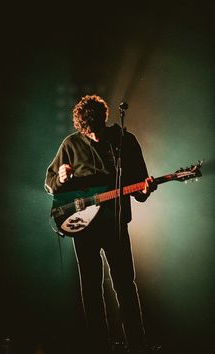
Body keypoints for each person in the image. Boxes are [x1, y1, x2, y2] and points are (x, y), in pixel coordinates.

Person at [44, 94, 158, 354]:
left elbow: (139, 189)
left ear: (104, 121)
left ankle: (137, 345)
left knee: (125, 285)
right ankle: (98, 346)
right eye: (88, 132)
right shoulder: (71, 144)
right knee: (91, 288)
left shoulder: (125, 142)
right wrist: (60, 177)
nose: (94, 136)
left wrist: (146, 189)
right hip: (82, 228)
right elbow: (50, 184)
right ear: (81, 128)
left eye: (97, 131)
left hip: (115, 224)